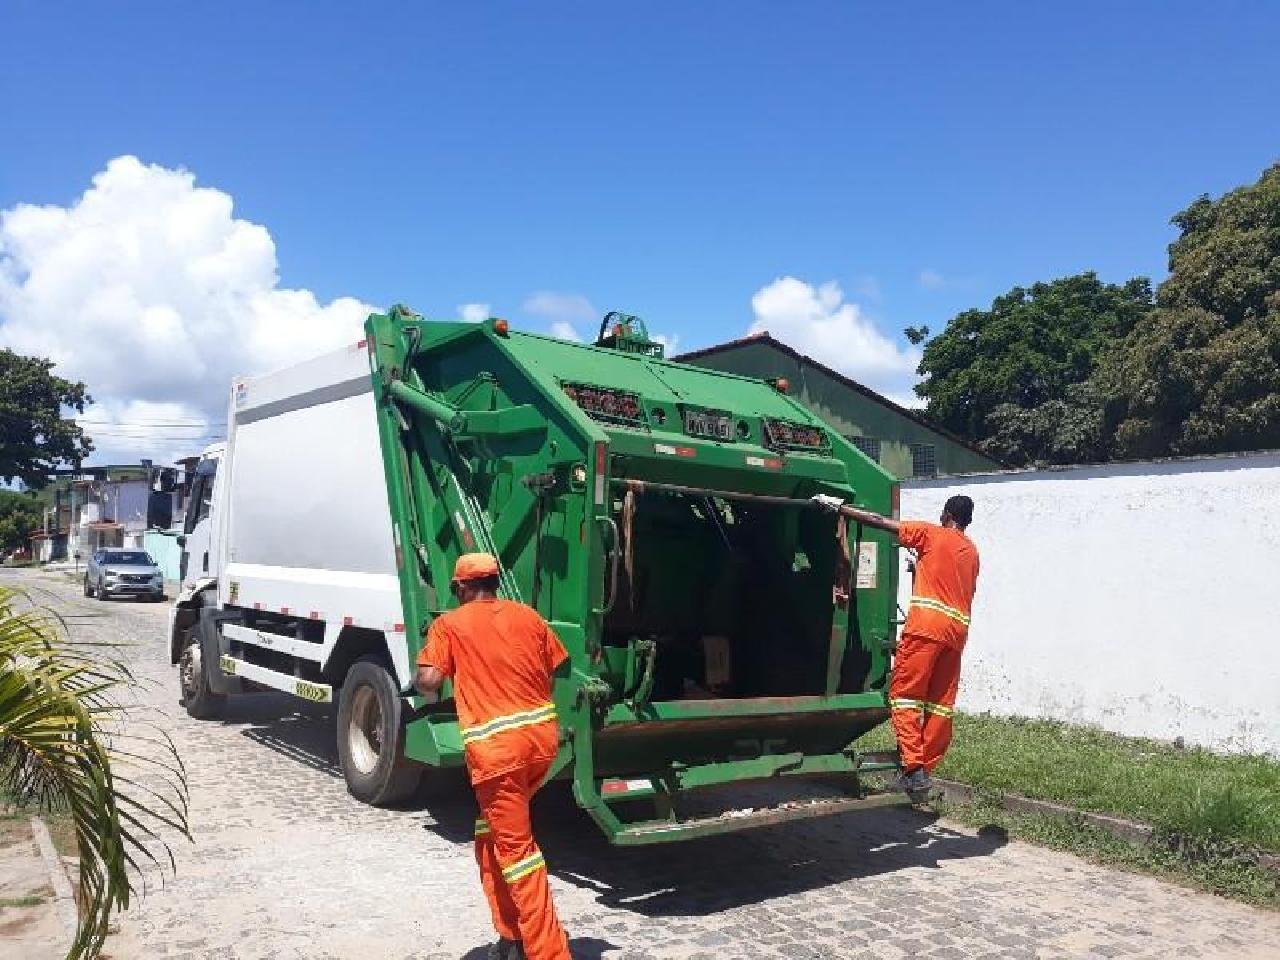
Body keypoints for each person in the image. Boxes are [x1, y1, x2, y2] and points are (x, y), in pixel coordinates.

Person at [414, 553, 572, 960]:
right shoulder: (530, 617)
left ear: (462, 588)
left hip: (497, 756)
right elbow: (554, 669)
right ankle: (510, 935)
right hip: (539, 746)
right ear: (495, 581)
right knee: (489, 837)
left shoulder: (449, 624)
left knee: (519, 855)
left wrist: (422, 669)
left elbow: (429, 681)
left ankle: (547, 953)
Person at [812, 493, 979, 800]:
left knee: (904, 697)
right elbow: (951, 585)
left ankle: (913, 770)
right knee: (939, 705)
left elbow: (882, 523)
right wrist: (920, 571)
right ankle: (923, 771)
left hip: (926, 630)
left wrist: (840, 509)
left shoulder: (931, 533)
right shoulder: (971, 552)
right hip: (955, 636)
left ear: (946, 515)